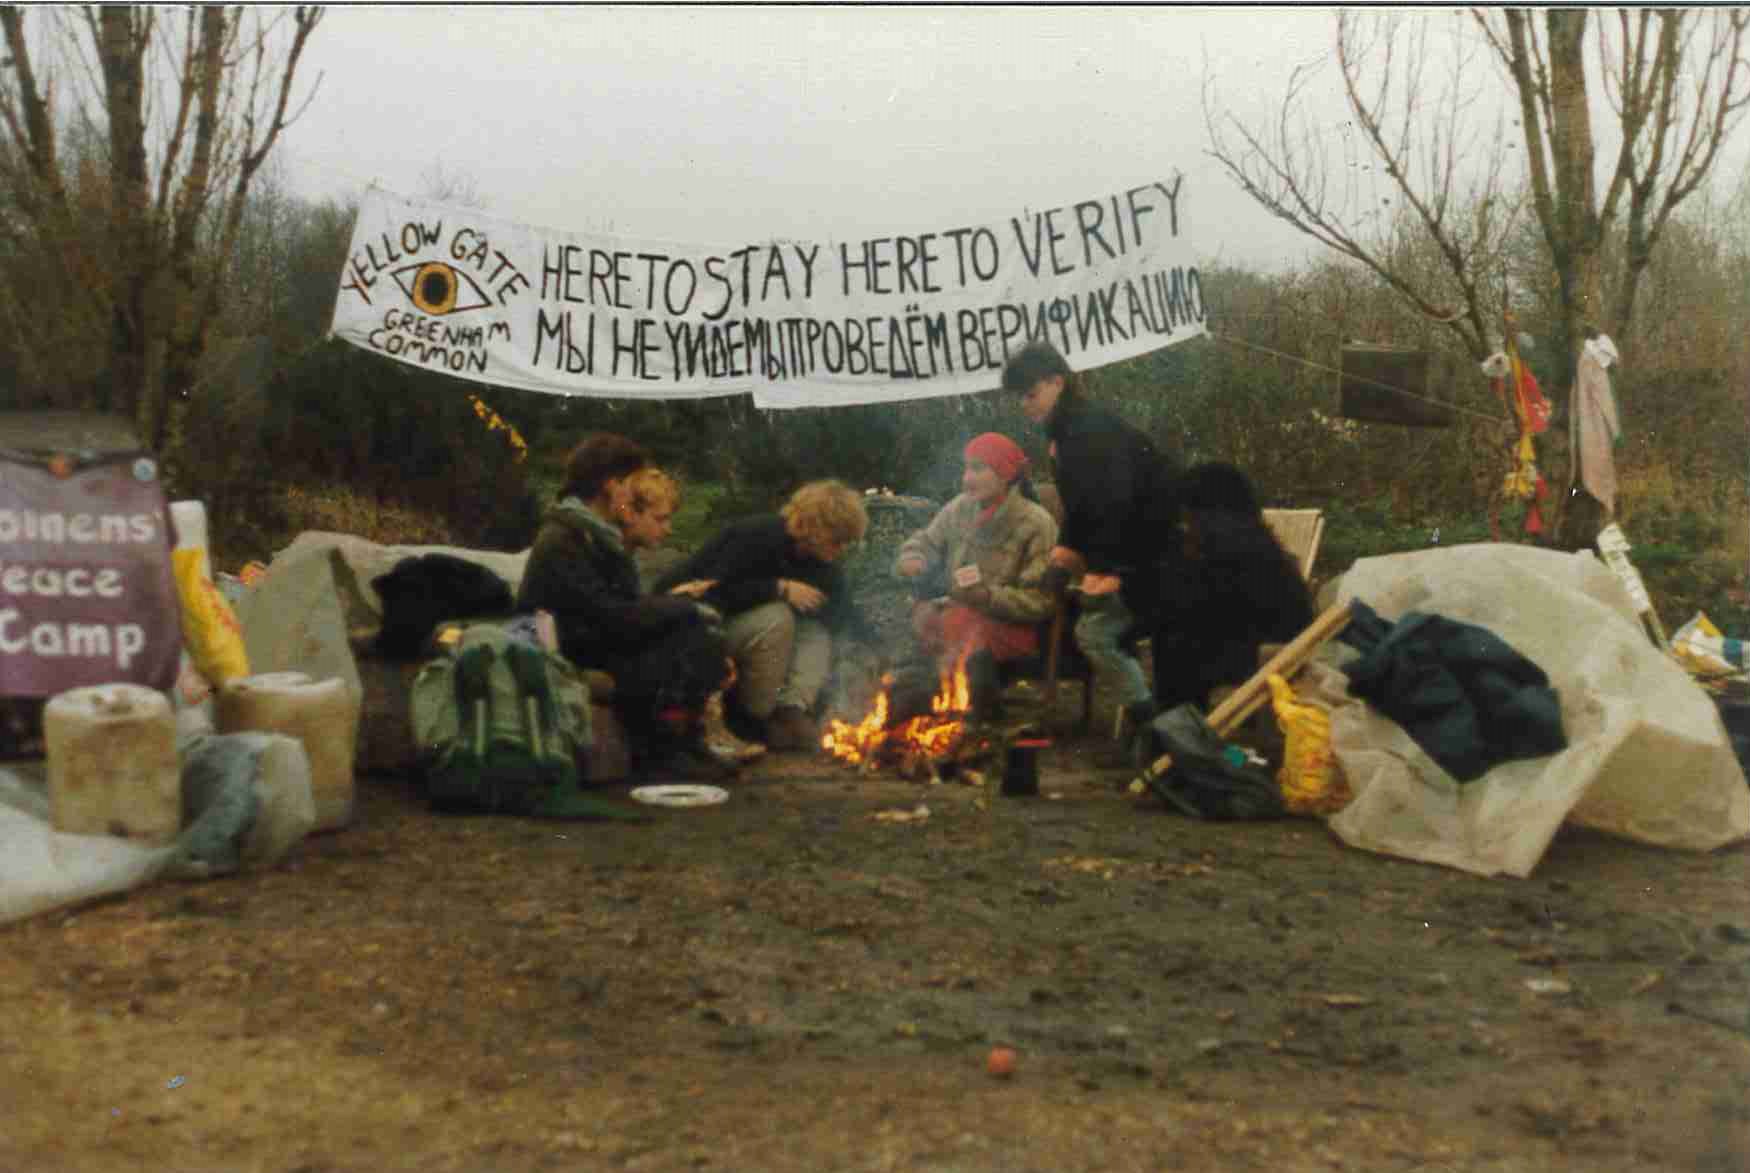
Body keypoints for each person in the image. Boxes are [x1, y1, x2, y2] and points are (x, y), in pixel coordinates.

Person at [515, 434, 734, 779]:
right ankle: (662, 752)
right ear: (612, 485)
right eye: (631, 485)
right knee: (683, 631)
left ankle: (686, 743)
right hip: (561, 650)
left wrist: (676, 609)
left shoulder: (597, 533)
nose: (633, 495)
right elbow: (610, 617)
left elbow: (622, 609)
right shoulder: (564, 538)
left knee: (692, 630)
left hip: (592, 637)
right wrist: (681, 608)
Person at [1003, 339, 1183, 754]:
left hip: (1156, 559)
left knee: (1096, 633)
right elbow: (1083, 509)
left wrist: (1109, 571)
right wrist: (1065, 554)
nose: (1025, 405)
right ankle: (1147, 727)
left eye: (1030, 394)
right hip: (1137, 554)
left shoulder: (1087, 431)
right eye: (1020, 398)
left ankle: (1155, 733)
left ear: (1056, 383)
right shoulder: (1068, 430)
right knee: (1083, 624)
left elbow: (1116, 504)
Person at [651, 479, 873, 752]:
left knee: (816, 630)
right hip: (691, 629)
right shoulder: (755, 536)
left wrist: (879, 652)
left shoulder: (821, 563)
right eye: (837, 540)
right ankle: (753, 719)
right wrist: (777, 588)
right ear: (815, 527)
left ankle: (790, 710)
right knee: (778, 617)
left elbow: (844, 615)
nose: (841, 549)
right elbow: (711, 594)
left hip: (741, 633)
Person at [894, 432, 1058, 721]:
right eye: (966, 468)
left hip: (1013, 628)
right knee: (925, 615)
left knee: (959, 622)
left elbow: (1041, 601)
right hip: (961, 616)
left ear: (1006, 474)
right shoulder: (960, 507)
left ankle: (976, 713)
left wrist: (988, 597)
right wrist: (913, 557)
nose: (967, 478)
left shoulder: (1036, 523)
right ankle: (931, 704)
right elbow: (927, 541)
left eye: (978, 468)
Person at [1153, 462, 1314, 710]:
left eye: (1189, 513)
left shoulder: (1228, 548)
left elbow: (1194, 610)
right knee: (1177, 642)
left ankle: (1178, 734)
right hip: (1273, 650)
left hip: (1265, 656)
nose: (1185, 521)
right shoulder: (1255, 542)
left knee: (1174, 648)